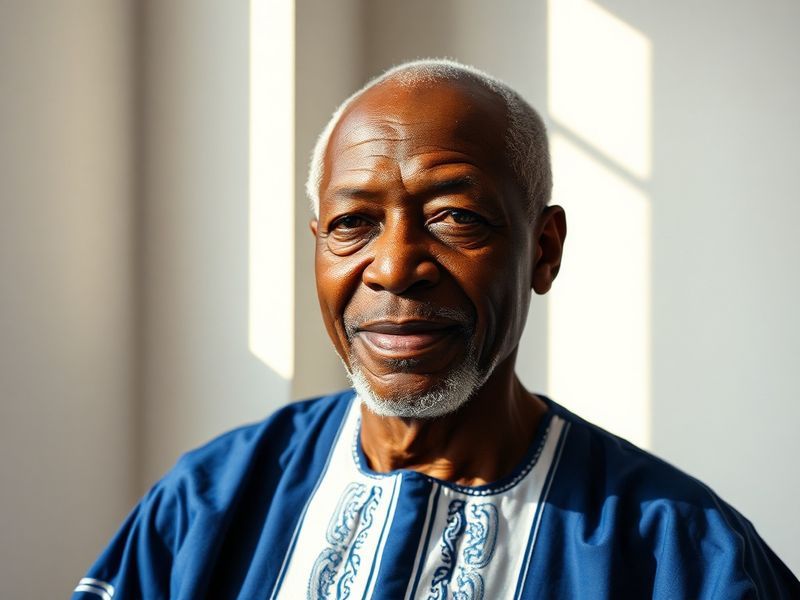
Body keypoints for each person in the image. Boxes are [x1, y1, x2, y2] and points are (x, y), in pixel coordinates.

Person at [72, 59, 799, 600]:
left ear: (543, 250)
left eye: (455, 217)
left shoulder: (685, 554)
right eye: (353, 224)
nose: (395, 268)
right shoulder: (209, 505)